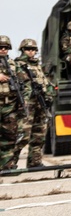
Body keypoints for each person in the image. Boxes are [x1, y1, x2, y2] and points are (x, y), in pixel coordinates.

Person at [12, 39, 52, 169]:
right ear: (23, 50)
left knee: (39, 134)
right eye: (28, 49)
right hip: (26, 104)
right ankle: (9, 163)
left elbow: (45, 82)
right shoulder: (16, 65)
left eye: (34, 49)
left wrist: (49, 93)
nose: (31, 52)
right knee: (22, 135)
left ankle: (35, 161)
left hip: (40, 103)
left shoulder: (37, 65)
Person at [0, 35, 28, 170]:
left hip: (9, 106)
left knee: (10, 136)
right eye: (1, 47)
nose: (3, 50)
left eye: (6, 48)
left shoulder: (13, 65)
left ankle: (7, 164)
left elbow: (23, 83)